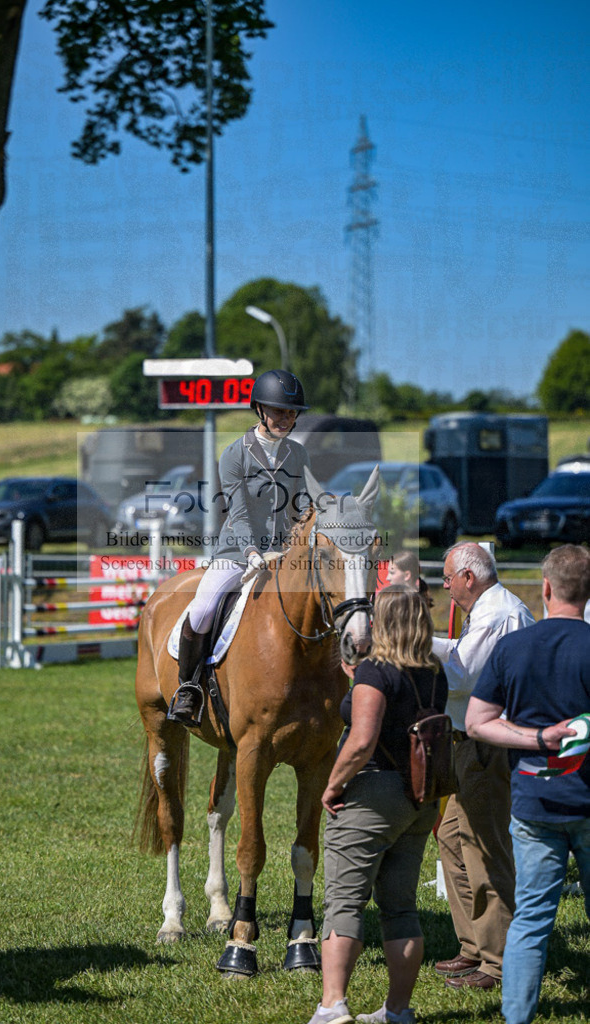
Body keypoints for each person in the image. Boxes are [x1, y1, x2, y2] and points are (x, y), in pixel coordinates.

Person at [306, 587, 448, 1024]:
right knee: (401, 907)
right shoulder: (435, 671)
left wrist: (332, 786)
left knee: (344, 903)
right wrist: (360, 679)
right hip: (419, 799)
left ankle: (333, 1005)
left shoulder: (377, 671)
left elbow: (362, 741)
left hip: (371, 796)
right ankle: (398, 1010)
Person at [465, 544, 590, 1024]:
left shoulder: (512, 648)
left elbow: (478, 723)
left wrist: (537, 738)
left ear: (545, 588)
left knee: (532, 921)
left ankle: (517, 1017)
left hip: (535, 805)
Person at [167, 369, 310, 727]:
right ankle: (188, 689)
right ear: (259, 409)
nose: (286, 419)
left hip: (286, 553)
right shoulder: (235, 455)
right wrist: (252, 553)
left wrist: (303, 534)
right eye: (279, 412)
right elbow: (240, 511)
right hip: (237, 551)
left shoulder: (298, 454)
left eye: (291, 413)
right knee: (203, 608)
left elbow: (301, 506)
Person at [432, 542, 535, 990]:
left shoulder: (497, 615)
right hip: (470, 745)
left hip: (486, 747)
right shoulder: (493, 610)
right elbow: (463, 658)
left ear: (469, 578)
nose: (445, 585)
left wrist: (414, 645)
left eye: (449, 577)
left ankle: (497, 962)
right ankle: (475, 945)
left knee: (484, 851)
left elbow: (460, 673)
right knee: (454, 841)